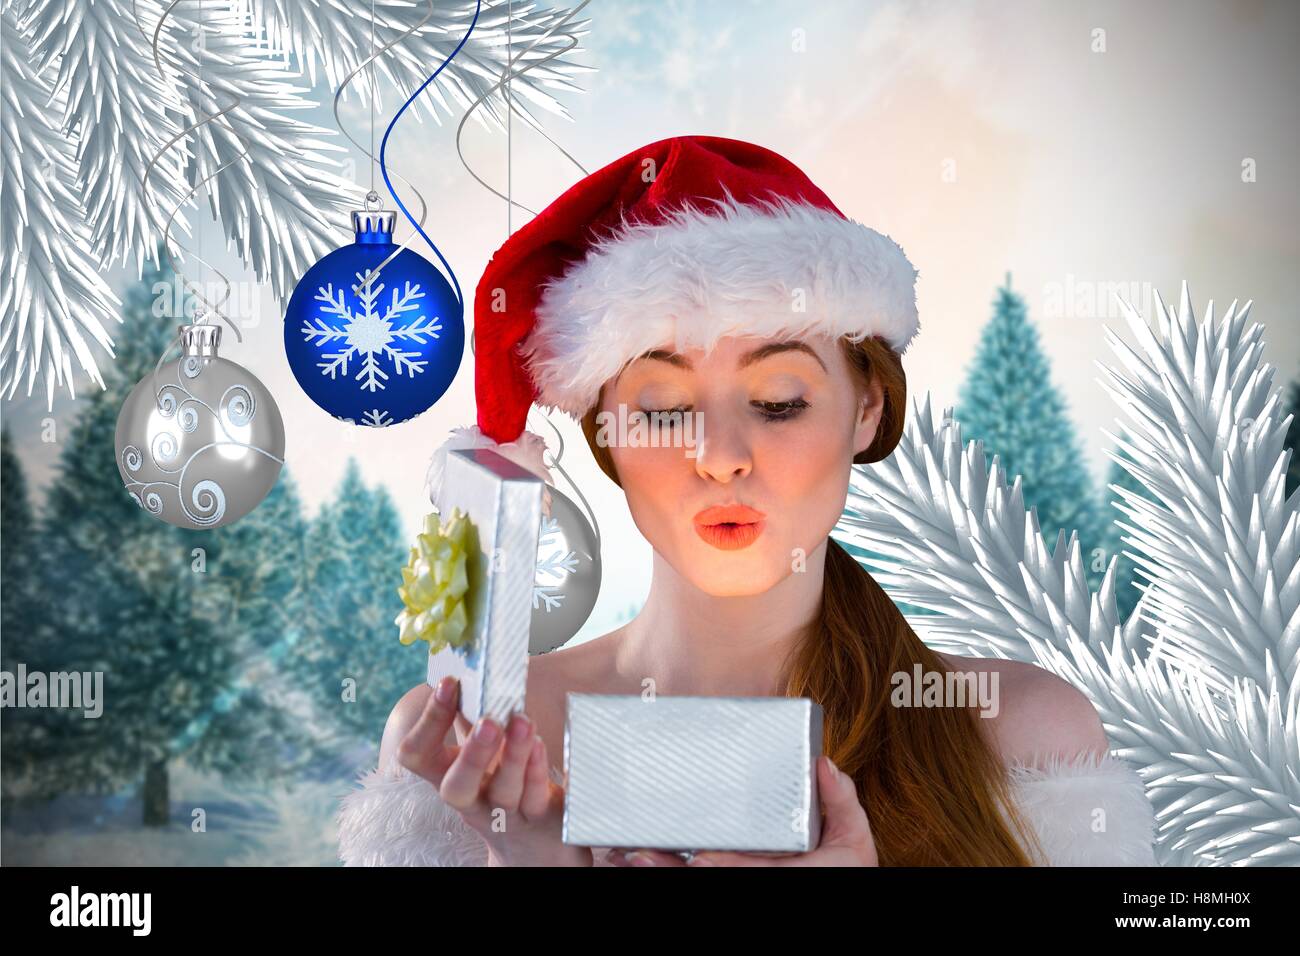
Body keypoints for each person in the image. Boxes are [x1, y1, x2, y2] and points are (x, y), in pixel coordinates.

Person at [337, 135, 1157, 867]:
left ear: (866, 408)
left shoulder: (1020, 740)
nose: (721, 458)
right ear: (606, 430)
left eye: (778, 401)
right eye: (662, 409)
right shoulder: (469, 755)